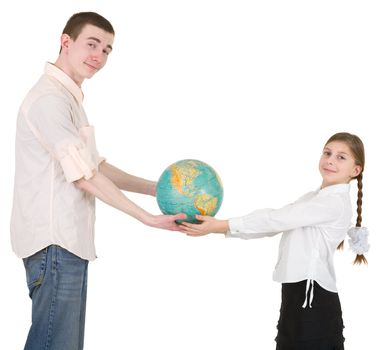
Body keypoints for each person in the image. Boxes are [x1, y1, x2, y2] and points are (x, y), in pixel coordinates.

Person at [11, 12, 185, 350]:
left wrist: (157, 188)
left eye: (107, 49)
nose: (99, 56)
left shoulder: (69, 99)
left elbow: (95, 165)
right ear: (66, 41)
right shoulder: (50, 100)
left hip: (66, 245)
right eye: (92, 44)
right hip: (55, 245)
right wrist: (145, 217)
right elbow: (84, 176)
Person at [180, 132, 369, 349]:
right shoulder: (312, 198)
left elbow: (276, 220)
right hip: (295, 297)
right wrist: (217, 228)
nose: (330, 160)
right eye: (327, 153)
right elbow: (273, 225)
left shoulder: (334, 203)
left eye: (341, 157)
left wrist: (223, 224)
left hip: (314, 301)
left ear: (355, 171)